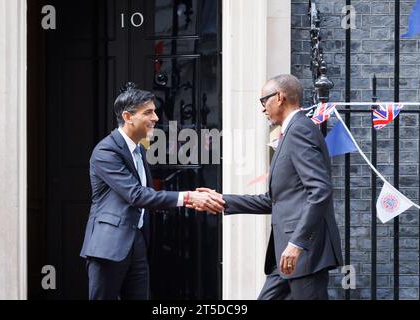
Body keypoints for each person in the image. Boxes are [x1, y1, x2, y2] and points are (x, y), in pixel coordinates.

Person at [196, 74, 343, 300]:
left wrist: (297, 243)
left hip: (303, 253)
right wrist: (221, 200)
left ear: (280, 97)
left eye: (264, 101)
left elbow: (320, 191)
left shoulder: (299, 131)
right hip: (286, 256)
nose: (263, 108)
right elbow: (274, 199)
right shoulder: (292, 131)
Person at [80, 83, 225, 300]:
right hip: (108, 246)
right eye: (148, 112)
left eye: (154, 111)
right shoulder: (106, 151)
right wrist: (187, 197)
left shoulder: (138, 149)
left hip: (137, 242)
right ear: (128, 116)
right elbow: (136, 195)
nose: (156, 117)